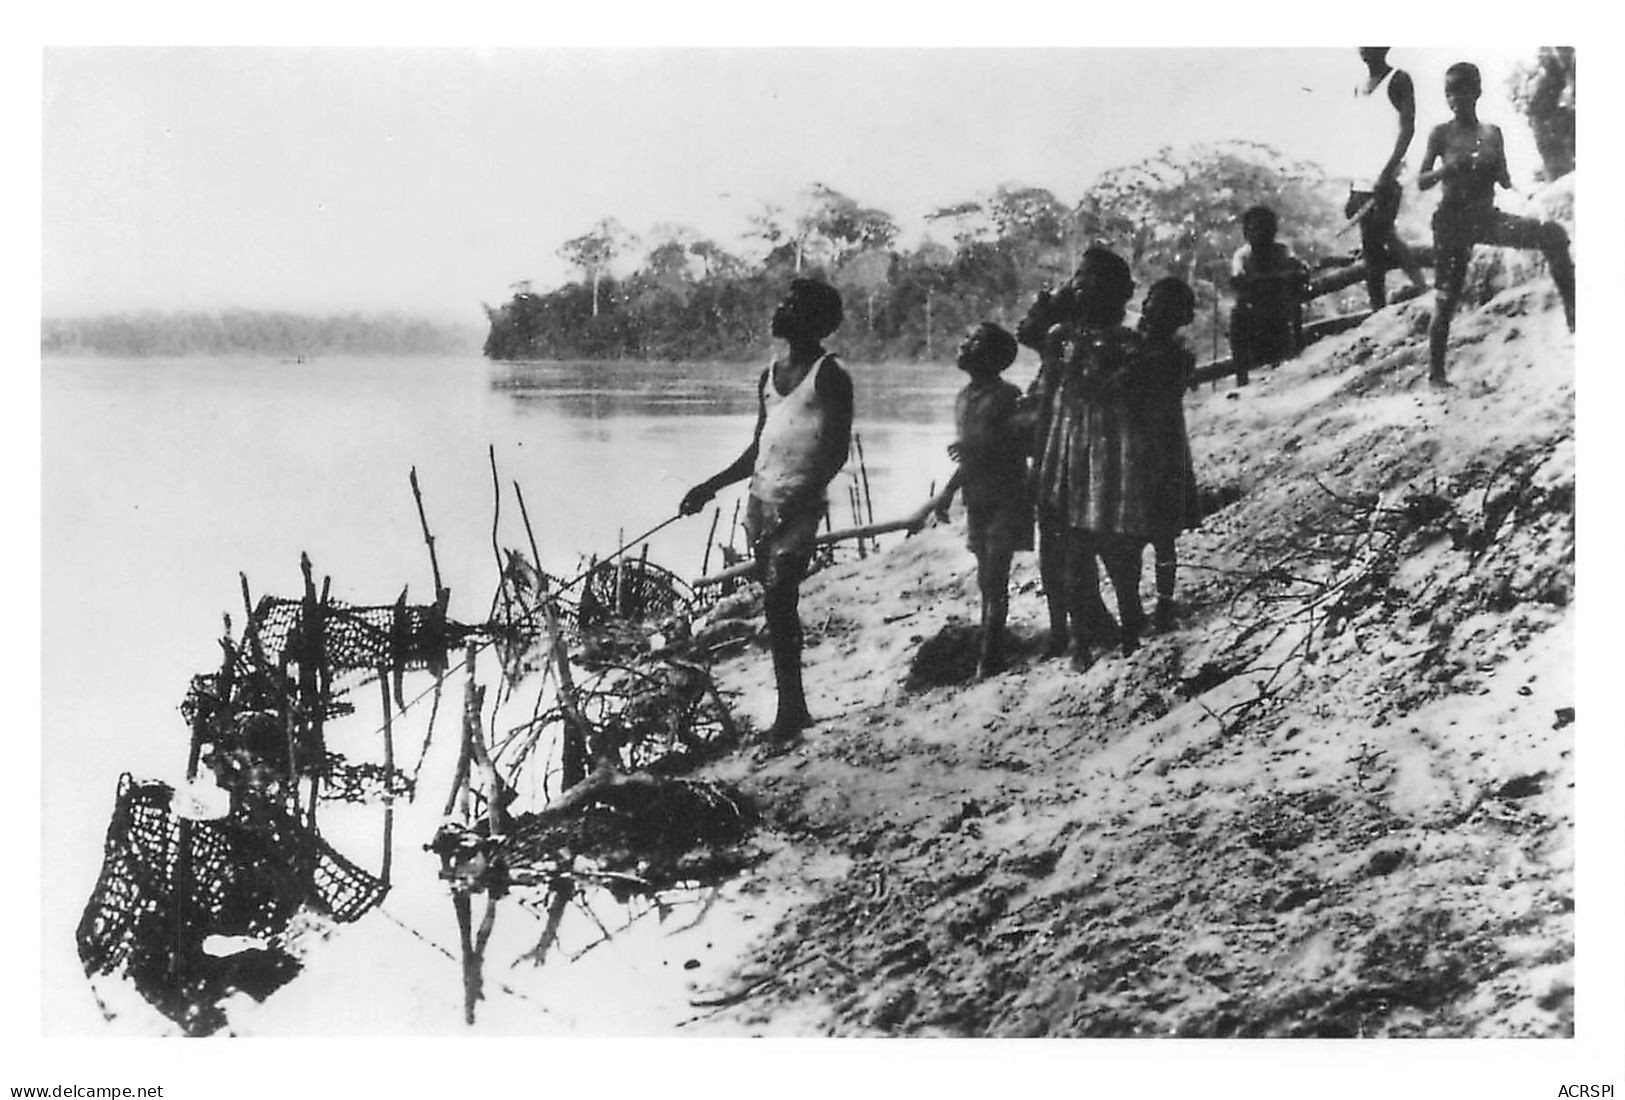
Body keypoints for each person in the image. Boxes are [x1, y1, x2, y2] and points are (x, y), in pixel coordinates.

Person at [678, 278, 853, 738]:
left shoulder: (830, 375)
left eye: (794, 304)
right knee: (775, 607)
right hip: (761, 500)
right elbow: (757, 449)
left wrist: (798, 501)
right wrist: (708, 486)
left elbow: (835, 454)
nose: (782, 308)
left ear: (816, 319)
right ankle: (790, 707)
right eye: (784, 300)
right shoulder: (769, 376)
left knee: (780, 599)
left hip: (799, 502)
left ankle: (792, 712)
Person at [1418, 61, 1575, 387]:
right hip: (1451, 221)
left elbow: (1504, 179)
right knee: (1447, 297)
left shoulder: (1492, 134)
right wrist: (1447, 170)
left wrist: (1523, 192)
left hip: (1486, 217)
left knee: (1554, 235)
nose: (1456, 100)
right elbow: (1421, 181)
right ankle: (1436, 375)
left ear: (1477, 92)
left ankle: (1575, 320)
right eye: (1450, 94)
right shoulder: (1441, 134)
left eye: (1463, 92)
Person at [1032, 247, 1146, 667]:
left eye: (1095, 282)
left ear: (1119, 293)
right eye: (1080, 279)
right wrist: (1043, 460)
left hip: (1113, 450)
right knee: (1073, 546)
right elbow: (1048, 397)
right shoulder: (1060, 336)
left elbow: (1135, 396)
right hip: (1067, 447)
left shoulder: (1131, 338)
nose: (1084, 288)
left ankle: (1132, 626)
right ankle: (1081, 641)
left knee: (1119, 543)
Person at [924, 323, 1034, 678]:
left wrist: (972, 455)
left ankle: (992, 654)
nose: (962, 345)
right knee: (986, 574)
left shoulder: (1006, 395)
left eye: (972, 342)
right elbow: (969, 454)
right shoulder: (964, 397)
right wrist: (951, 489)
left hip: (1007, 495)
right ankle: (991, 645)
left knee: (995, 572)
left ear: (991, 358)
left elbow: (1017, 443)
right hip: (978, 496)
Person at [1134, 278, 1202, 632]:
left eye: (1158, 304)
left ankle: (1163, 602)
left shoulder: (1167, 353)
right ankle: (1158, 602)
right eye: (1149, 301)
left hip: (1159, 443)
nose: (1149, 309)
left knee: (1161, 534)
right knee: (1156, 533)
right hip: (1156, 442)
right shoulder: (1163, 350)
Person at [1346, 47, 1430, 310]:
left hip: (1387, 177)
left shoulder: (1398, 79)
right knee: (1371, 246)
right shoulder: (1359, 87)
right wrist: (1352, 186)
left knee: (1383, 233)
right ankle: (1378, 308)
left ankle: (1421, 287)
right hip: (1362, 178)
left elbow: (1408, 129)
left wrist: (1387, 172)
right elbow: (1359, 138)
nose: (1365, 48)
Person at [1228, 205, 1309, 386]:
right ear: (1246, 233)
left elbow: (1301, 271)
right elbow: (1237, 279)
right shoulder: (1243, 255)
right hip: (1254, 312)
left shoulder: (1282, 251)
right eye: (1254, 228)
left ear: (1273, 230)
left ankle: (1295, 354)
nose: (1260, 233)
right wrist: (1273, 279)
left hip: (1279, 309)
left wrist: (1269, 280)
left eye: (1265, 227)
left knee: (1293, 303)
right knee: (1237, 314)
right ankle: (1242, 378)